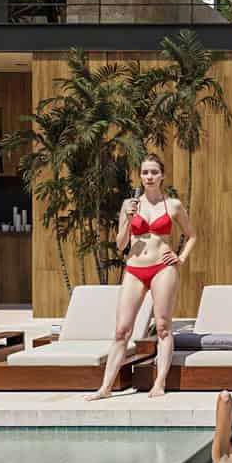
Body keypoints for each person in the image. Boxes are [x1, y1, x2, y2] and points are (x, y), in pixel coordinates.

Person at [90, 153, 195, 400]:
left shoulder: (174, 205)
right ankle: (105, 388)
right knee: (121, 331)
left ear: (162, 176)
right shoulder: (129, 205)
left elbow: (192, 235)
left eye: (154, 172)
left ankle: (159, 383)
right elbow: (120, 244)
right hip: (134, 269)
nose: (149, 177)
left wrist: (180, 258)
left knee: (163, 326)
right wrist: (127, 219)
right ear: (140, 175)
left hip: (162, 268)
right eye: (145, 172)